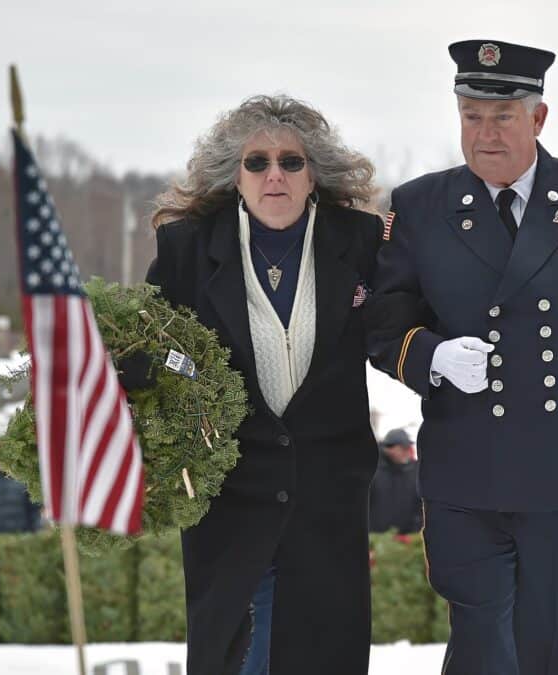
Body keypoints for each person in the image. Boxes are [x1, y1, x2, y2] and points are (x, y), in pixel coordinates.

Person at [366, 40, 558, 675]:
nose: (485, 133)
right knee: (479, 639)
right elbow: (383, 318)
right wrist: (433, 355)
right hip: (463, 469)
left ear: (539, 118)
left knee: (552, 640)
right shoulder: (420, 205)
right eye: (471, 116)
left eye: (502, 117)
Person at [147, 94, 383, 675]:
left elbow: (401, 327)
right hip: (231, 498)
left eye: (290, 161)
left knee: (324, 653)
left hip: (327, 497)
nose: (273, 174)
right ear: (236, 175)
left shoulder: (362, 242)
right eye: (257, 162)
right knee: (239, 653)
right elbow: (149, 344)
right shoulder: (188, 249)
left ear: (313, 176)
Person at [368, 428, 422, 534]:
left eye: (408, 447)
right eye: (403, 448)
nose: (407, 451)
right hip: (375, 541)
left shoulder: (415, 471)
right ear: (389, 448)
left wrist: (415, 530)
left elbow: (420, 506)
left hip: (407, 541)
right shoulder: (372, 471)